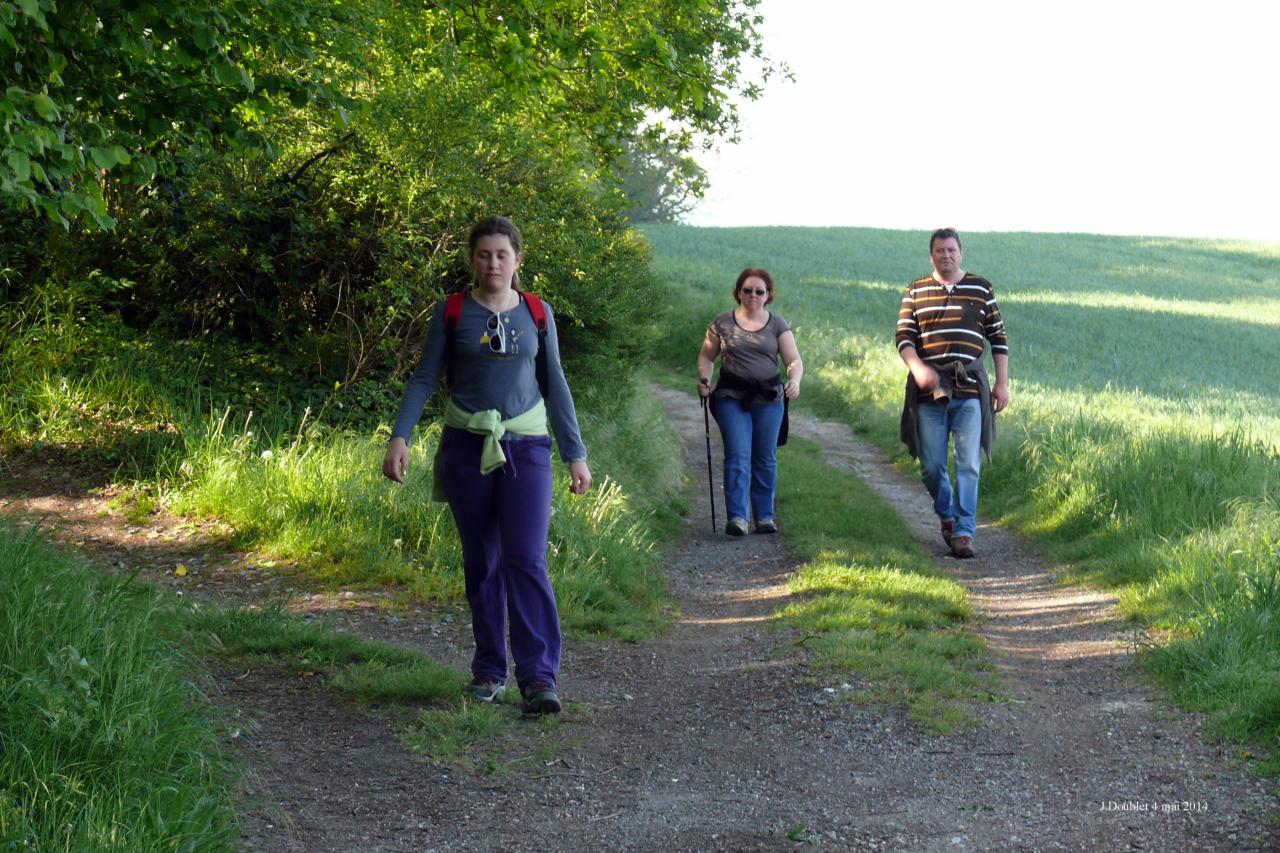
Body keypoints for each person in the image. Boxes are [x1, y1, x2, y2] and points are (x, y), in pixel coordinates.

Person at [383, 215, 591, 715]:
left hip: (527, 448)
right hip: (465, 446)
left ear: (518, 259)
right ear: (471, 259)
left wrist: (575, 453)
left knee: (526, 559)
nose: (492, 263)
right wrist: (400, 435)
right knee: (482, 563)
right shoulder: (452, 311)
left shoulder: (538, 313)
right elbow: (424, 377)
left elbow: (555, 383)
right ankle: (488, 671)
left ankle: (539, 678)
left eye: (502, 254)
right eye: (483, 254)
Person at [896, 228, 1010, 559]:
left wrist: (1001, 384)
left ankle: (963, 532)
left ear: (961, 253)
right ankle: (947, 514)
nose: (946, 255)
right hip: (929, 392)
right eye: (940, 251)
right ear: (931, 255)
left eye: (951, 250)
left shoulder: (981, 288)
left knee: (968, 464)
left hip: (970, 388)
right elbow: (903, 336)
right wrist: (918, 368)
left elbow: (998, 338)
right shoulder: (916, 290)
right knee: (931, 466)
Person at [696, 268, 803, 536]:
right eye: (748, 290)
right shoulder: (722, 323)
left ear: (768, 295)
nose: (753, 295)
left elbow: (793, 360)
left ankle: (764, 517)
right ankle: (738, 518)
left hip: (769, 397)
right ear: (738, 292)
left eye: (759, 291)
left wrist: (795, 380)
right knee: (738, 454)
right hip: (731, 396)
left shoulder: (778, 324)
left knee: (765, 457)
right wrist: (704, 380)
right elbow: (707, 358)